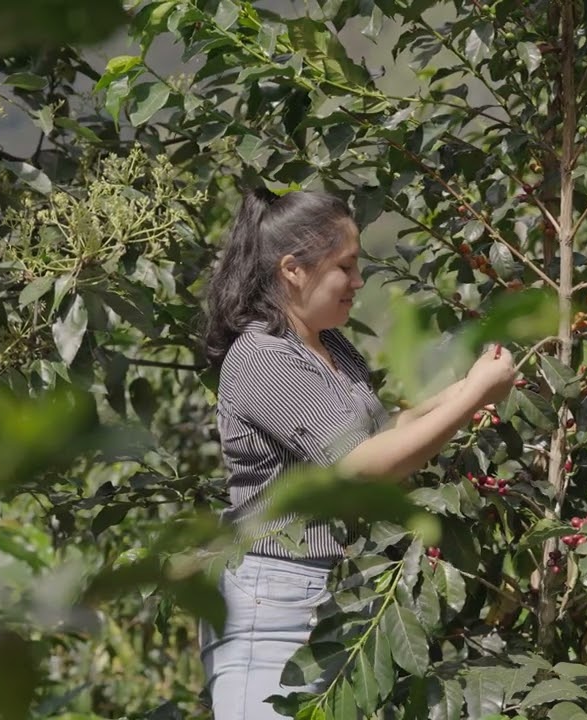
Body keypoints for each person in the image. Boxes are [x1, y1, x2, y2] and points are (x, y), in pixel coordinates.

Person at [200, 188, 517, 719]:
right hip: (272, 606)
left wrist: (467, 388)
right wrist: (473, 397)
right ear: (294, 270)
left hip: (329, 599)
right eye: (345, 267)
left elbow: (381, 433)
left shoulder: (330, 345)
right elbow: (362, 467)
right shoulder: (262, 357)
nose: (357, 281)